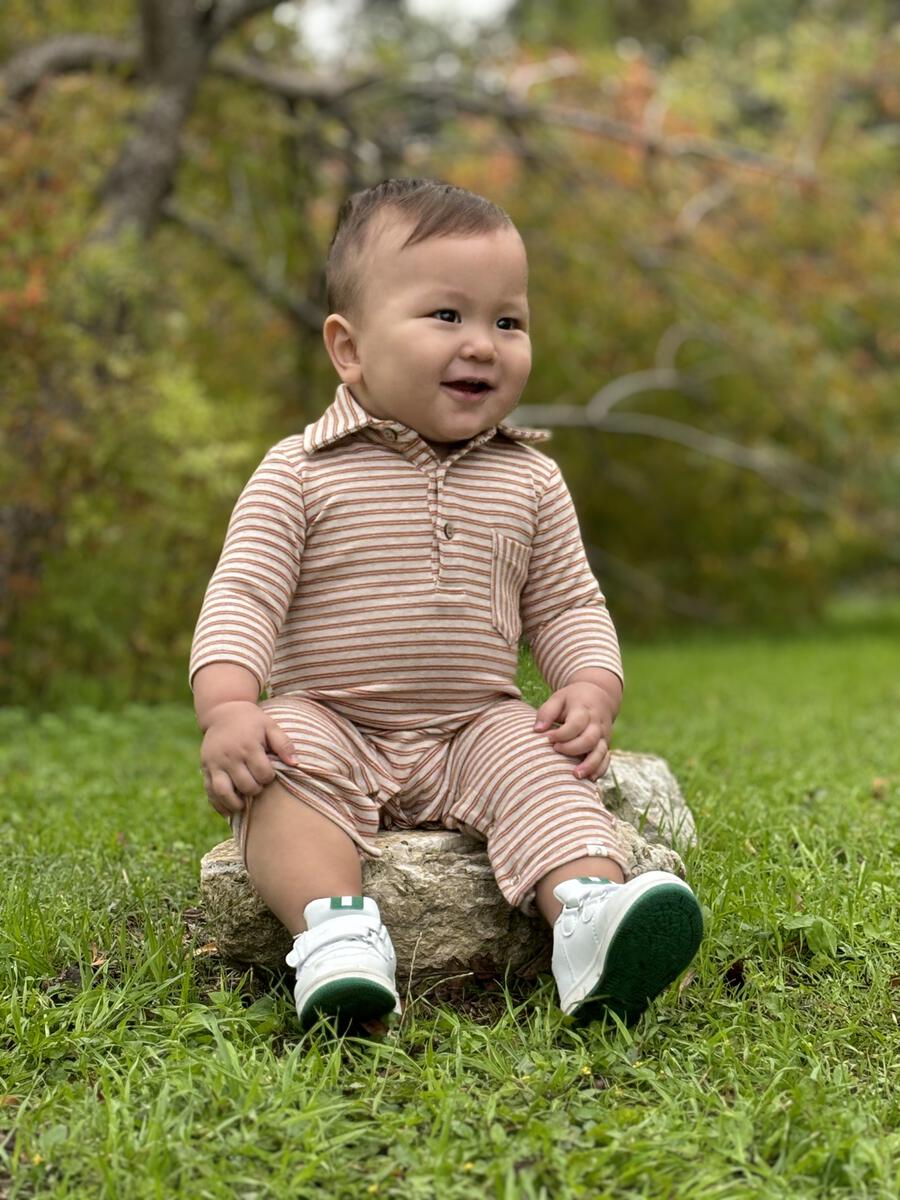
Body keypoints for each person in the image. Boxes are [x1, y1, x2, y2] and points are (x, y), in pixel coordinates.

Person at [190, 177, 702, 1031]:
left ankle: (585, 914)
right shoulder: (301, 472)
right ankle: (336, 931)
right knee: (280, 771)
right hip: (335, 716)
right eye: (446, 317)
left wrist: (588, 683)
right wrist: (231, 707)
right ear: (349, 349)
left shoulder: (530, 479)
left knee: (544, 767)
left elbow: (569, 601)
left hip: (472, 724)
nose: (484, 345)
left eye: (508, 321)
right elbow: (242, 595)